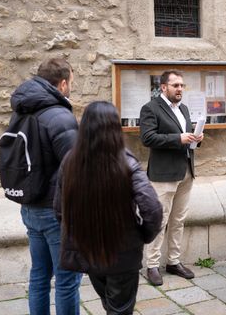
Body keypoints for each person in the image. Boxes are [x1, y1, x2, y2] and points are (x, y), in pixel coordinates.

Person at [53, 101, 163, 314]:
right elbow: (153, 209)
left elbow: (59, 209)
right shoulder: (126, 162)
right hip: (122, 253)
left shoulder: (70, 161)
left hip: (90, 252)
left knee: (111, 305)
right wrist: (143, 235)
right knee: (119, 309)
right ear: (115, 126)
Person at [9, 58, 82, 314]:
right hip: (55, 210)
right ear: (62, 84)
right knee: (67, 279)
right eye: (72, 82)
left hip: (29, 206)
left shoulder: (21, 110)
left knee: (39, 275)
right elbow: (76, 168)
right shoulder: (61, 115)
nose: (72, 87)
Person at [140, 69, 204, 286]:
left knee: (178, 220)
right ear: (163, 87)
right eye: (175, 85)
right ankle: (152, 265)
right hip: (164, 174)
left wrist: (196, 138)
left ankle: (173, 262)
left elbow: (186, 139)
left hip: (186, 170)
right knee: (160, 220)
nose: (179, 89)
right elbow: (147, 138)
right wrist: (179, 138)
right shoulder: (150, 108)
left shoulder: (184, 109)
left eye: (182, 85)